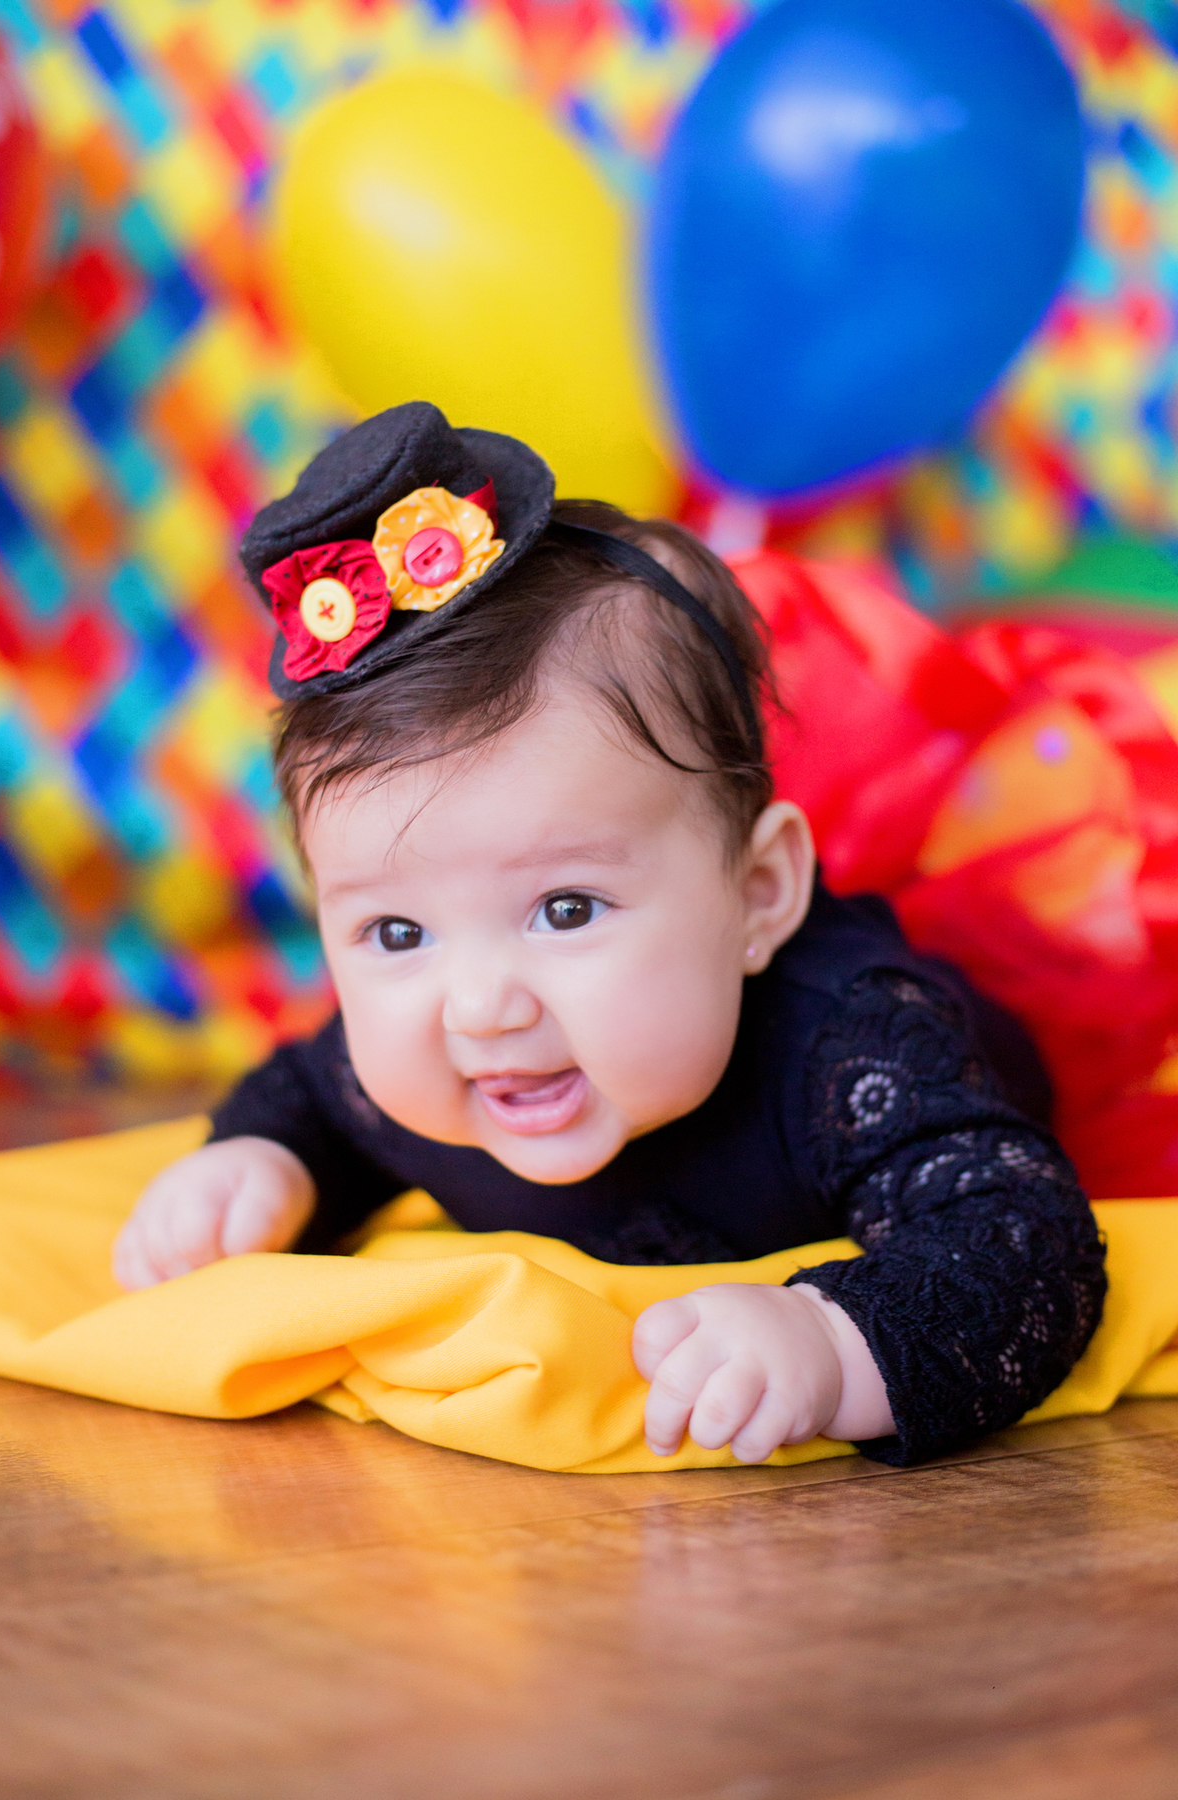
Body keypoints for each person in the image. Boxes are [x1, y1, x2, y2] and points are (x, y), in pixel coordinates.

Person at [112, 402, 1107, 1469]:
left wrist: (831, 1341)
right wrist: (262, 1161)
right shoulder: (425, 1077)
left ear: (760, 894)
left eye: (566, 909)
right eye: (397, 932)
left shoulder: (852, 1048)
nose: (481, 1004)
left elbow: (1025, 1246)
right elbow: (313, 1090)